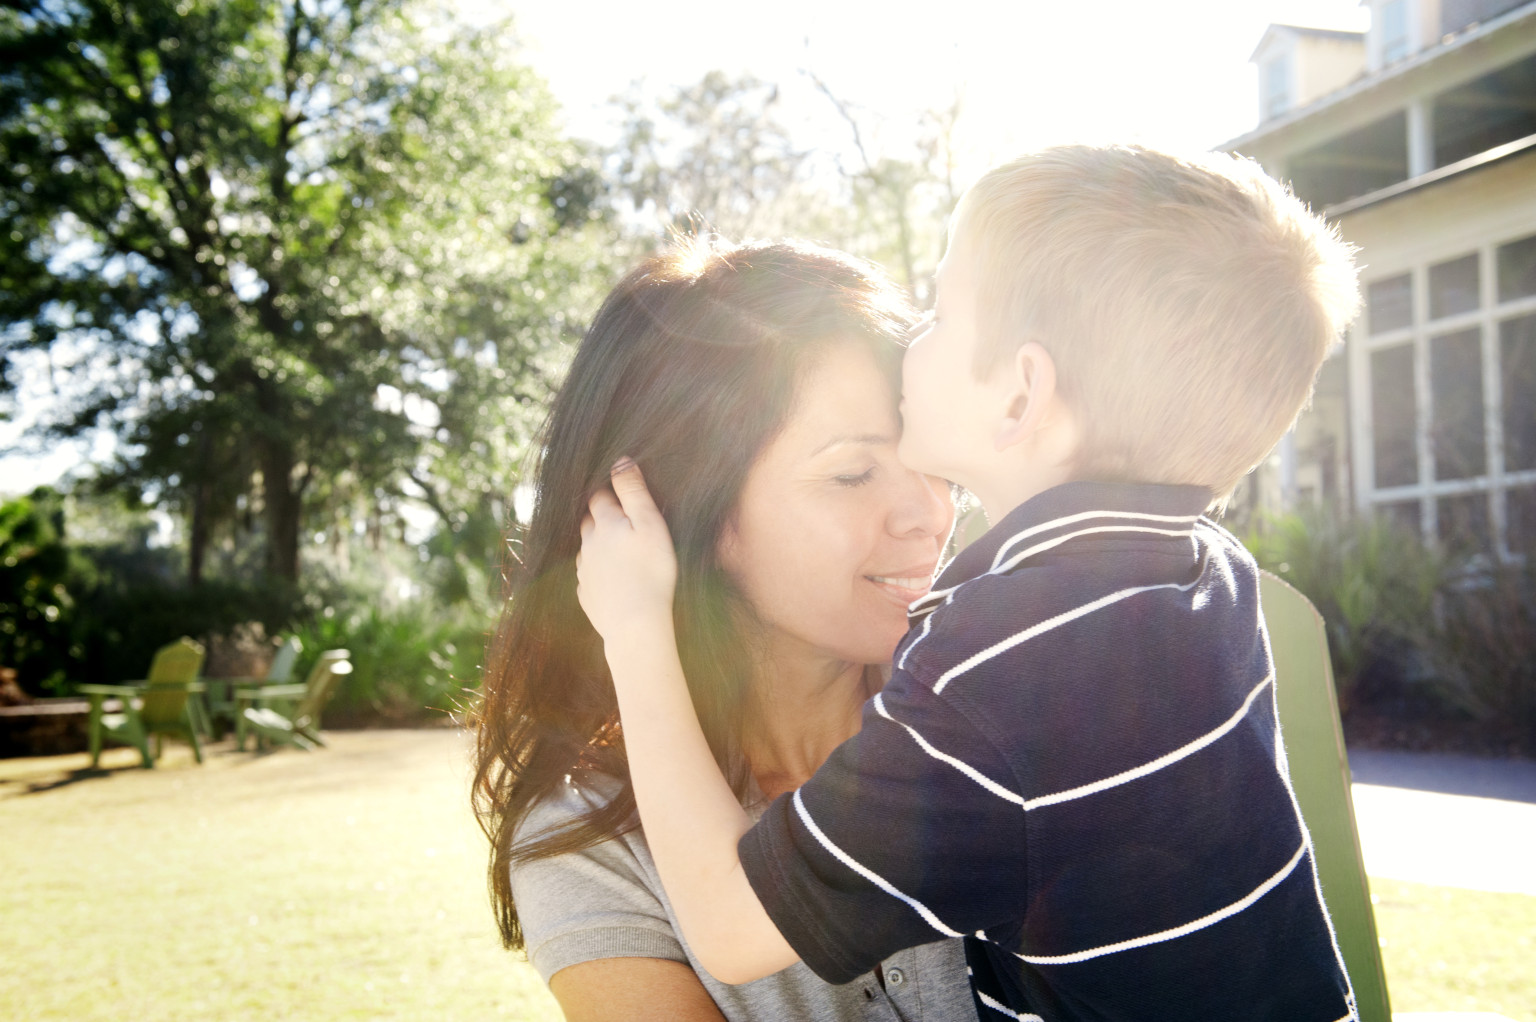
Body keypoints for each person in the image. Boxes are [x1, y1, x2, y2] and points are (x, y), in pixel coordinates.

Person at [576, 144, 1364, 1020]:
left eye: (941, 315)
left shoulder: (992, 676)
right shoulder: (1210, 579)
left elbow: (729, 927)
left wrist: (635, 625)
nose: (914, 338)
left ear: (1022, 397)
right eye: (849, 475)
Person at [472, 239, 974, 1021]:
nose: (933, 511)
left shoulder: (995, 718)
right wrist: (636, 634)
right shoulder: (589, 842)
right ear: (676, 513)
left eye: (931, 457)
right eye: (852, 473)